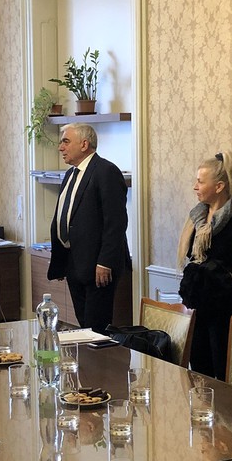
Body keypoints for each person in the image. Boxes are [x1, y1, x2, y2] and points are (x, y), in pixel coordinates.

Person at [176, 151, 232, 380]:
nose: (195, 186)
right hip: (197, 304)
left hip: (226, 307)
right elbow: (192, 256)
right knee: (198, 372)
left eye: (200, 182)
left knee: (224, 375)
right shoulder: (197, 219)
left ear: (218, 187)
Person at [47, 124, 131, 330]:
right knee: (84, 327)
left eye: (66, 141)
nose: (60, 147)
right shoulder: (70, 174)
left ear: (84, 144)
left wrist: (105, 262)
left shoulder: (106, 171)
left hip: (98, 267)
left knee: (97, 330)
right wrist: (61, 260)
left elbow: (116, 222)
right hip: (74, 264)